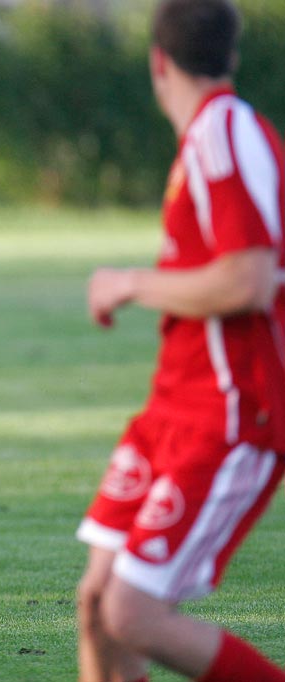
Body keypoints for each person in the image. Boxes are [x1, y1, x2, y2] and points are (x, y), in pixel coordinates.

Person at [76, 1, 285, 680]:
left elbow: (248, 280)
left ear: (157, 61)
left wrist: (133, 282)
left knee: (130, 614)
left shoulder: (224, 131)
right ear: (229, 53)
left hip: (230, 415)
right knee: (97, 605)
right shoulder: (205, 139)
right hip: (171, 410)